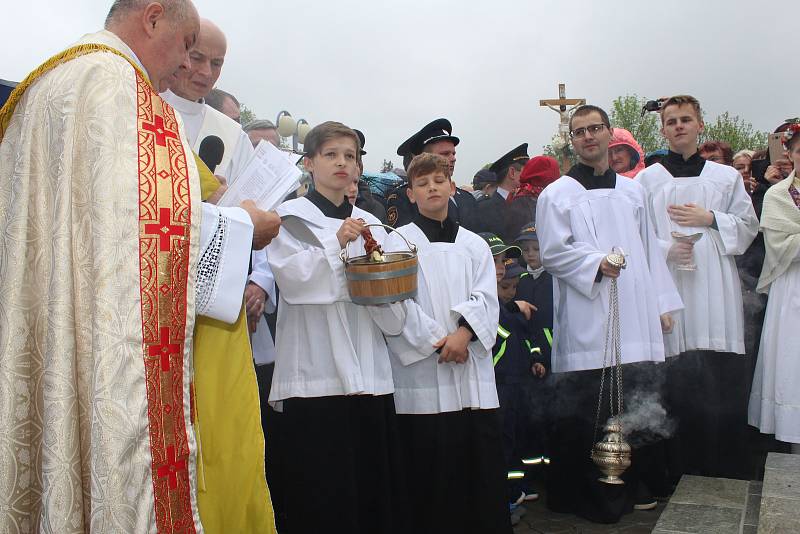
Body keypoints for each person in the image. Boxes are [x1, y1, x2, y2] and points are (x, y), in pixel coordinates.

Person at [0, 1, 281, 532]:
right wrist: (243, 227)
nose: (182, 67)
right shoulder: (121, 91)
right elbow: (149, 229)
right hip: (108, 340)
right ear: (153, 17)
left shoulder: (47, 83)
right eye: (184, 46)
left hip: (56, 319)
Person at [536, 104, 683, 523]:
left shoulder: (633, 191)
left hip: (635, 312)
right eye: (579, 131)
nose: (588, 136)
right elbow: (552, 252)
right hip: (587, 314)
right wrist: (595, 263)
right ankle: (582, 496)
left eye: (595, 128)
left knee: (634, 403)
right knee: (588, 408)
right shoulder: (557, 193)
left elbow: (651, 249)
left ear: (608, 134)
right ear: (572, 139)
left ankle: (633, 487)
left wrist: (662, 304)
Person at [267, 121, 407, 534]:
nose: (342, 163)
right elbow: (294, 283)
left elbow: (394, 307)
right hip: (316, 375)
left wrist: (385, 287)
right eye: (331, 155)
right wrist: (338, 244)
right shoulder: (288, 220)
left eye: (351, 156)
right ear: (309, 163)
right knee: (321, 495)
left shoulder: (373, 223)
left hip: (370, 372)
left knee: (370, 492)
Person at [384, 153, 511, 534]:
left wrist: (463, 335)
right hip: (425, 371)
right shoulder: (398, 241)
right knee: (430, 475)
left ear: (452, 187)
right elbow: (394, 301)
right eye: (422, 184)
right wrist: (438, 342)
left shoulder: (474, 244)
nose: (432, 188)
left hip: (470, 371)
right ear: (411, 193)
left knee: (479, 472)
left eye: (438, 181)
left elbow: (487, 296)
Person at [636, 95, 759, 480]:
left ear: (700, 125)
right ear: (663, 129)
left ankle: (720, 469)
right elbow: (636, 236)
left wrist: (711, 218)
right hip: (668, 284)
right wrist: (666, 248)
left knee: (716, 378)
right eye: (671, 121)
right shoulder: (647, 180)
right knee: (674, 381)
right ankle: (673, 473)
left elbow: (749, 227)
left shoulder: (725, 178)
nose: (678, 126)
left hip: (715, 287)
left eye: (686, 119)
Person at [749, 120, 800, 454]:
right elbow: (780, 244)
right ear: (790, 154)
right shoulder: (778, 195)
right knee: (792, 360)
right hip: (792, 283)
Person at [161, 18, 253, 182]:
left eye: (216, 63)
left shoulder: (235, 136)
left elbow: (250, 202)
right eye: (197, 58)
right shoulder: (139, 108)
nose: (207, 72)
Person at [493, 254, 548, 518]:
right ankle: (506, 494)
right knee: (503, 440)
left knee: (519, 435)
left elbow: (529, 339)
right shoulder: (499, 311)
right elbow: (495, 337)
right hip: (500, 383)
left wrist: (535, 358)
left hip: (520, 382)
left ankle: (519, 486)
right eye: (505, 287)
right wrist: (512, 310)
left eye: (514, 287)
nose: (510, 292)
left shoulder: (514, 310)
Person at [387, 118, 479, 230]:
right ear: (423, 158)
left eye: (453, 153)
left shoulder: (467, 198)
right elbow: (405, 242)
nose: (453, 158)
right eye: (445, 154)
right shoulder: (403, 197)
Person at [475, 143, 530, 240]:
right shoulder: (483, 208)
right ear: (512, 173)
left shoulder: (528, 202)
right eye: (526, 171)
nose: (529, 176)